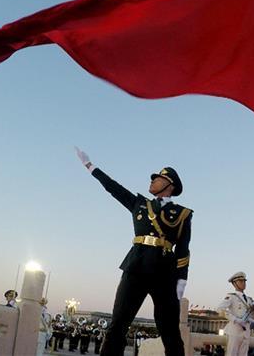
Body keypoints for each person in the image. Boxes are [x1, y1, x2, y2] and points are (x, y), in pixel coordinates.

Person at [75, 147, 193, 356]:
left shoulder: (182, 214)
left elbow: (183, 250)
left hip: (165, 273)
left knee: (170, 332)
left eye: (157, 178)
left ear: (169, 185)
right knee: (118, 323)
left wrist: (181, 283)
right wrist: (90, 166)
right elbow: (113, 188)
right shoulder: (140, 204)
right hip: (136, 267)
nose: (152, 180)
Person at [217, 272, 254, 356]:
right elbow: (220, 309)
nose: (243, 283)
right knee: (232, 354)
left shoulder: (249, 299)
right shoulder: (231, 297)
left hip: (246, 332)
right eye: (240, 281)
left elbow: (253, 316)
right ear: (234, 284)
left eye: (244, 281)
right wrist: (235, 320)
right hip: (235, 331)